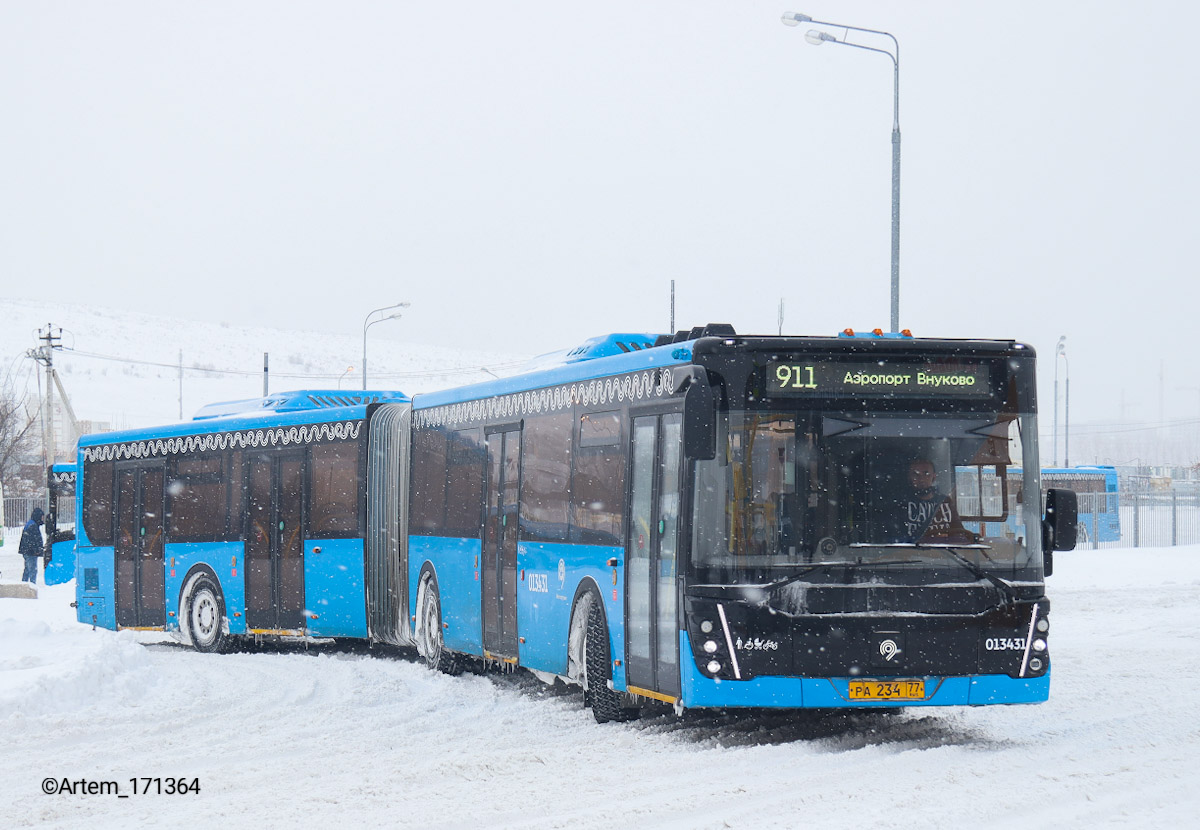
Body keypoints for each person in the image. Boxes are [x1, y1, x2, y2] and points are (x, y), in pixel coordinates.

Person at [897, 458, 973, 544]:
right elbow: (898, 539)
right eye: (916, 474)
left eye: (926, 473)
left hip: (947, 554)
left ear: (934, 476)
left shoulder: (945, 501)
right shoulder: (902, 504)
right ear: (909, 477)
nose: (921, 479)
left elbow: (958, 532)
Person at [19, 507, 44, 584]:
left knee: (27, 570)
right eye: (42, 517)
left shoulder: (30, 524)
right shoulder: (33, 526)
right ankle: (32, 586)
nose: (43, 519)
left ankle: (24, 584)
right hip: (31, 553)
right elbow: (33, 540)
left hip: (27, 551)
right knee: (32, 570)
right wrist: (37, 550)